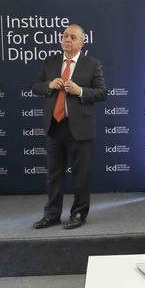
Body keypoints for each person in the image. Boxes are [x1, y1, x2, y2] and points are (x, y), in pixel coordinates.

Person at [31, 24, 107, 230]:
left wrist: (79, 90)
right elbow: (36, 86)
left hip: (80, 127)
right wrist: (49, 85)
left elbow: (102, 92)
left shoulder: (92, 64)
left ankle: (79, 213)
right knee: (54, 174)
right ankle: (52, 215)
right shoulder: (50, 61)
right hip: (55, 125)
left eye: (73, 37)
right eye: (65, 36)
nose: (67, 39)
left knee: (81, 175)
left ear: (82, 43)